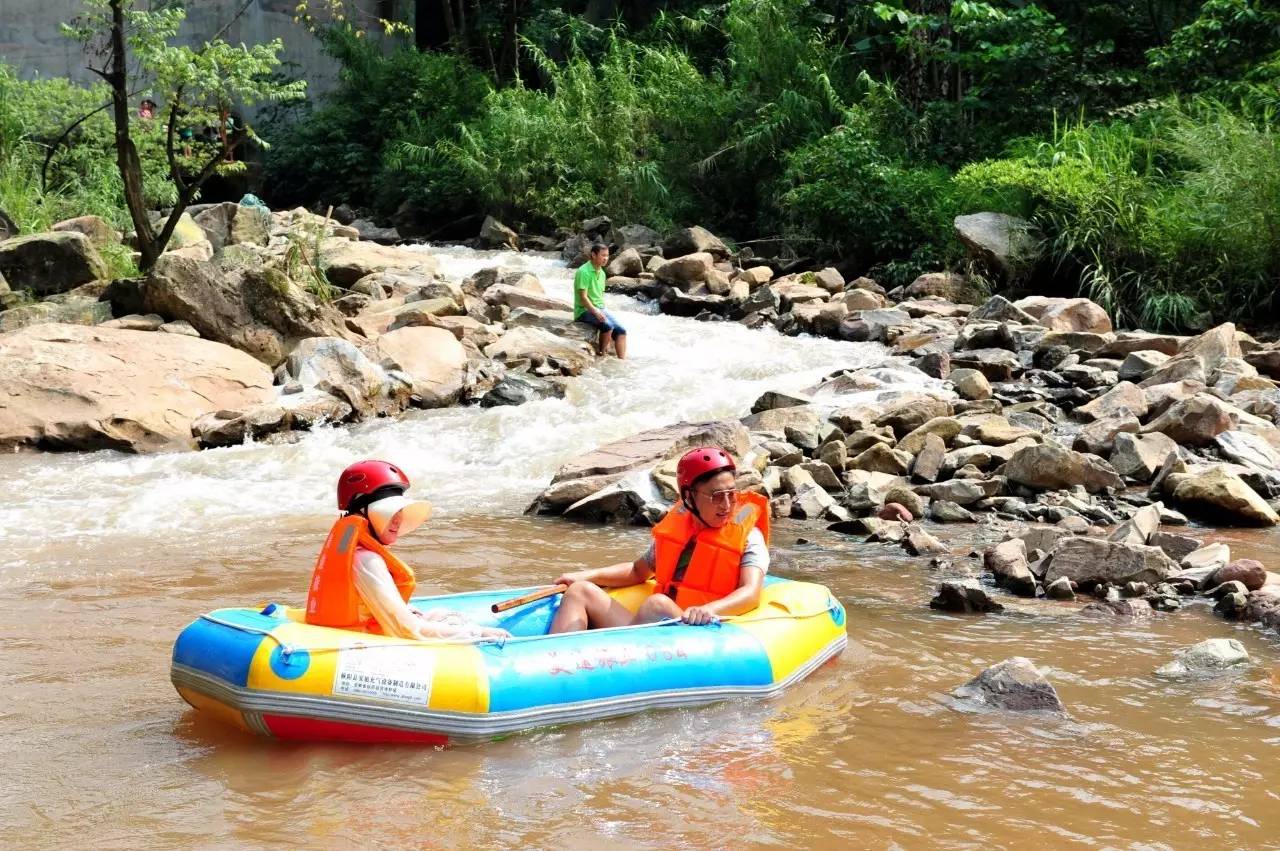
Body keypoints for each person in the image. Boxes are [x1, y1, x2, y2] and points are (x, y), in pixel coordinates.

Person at [548, 447, 769, 633]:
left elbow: (750, 593)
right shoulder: (677, 528)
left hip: (703, 630)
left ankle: (607, 663)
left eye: (731, 493)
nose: (727, 505)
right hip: (661, 626)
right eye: (717, 496)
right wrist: (582, 576)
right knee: (580, 591)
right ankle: (556, 663)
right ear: (689, 496)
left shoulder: (749, 537)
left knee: (658, 604)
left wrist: (709, 610)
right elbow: (637, 571)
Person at [305, 460, 509, 640]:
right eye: (390, 511)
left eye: (400, 510)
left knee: (442, 615)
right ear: (364, 512)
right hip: (360, 642)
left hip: (354, 630)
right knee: (459, 626)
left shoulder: (356, 551)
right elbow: (407, 630)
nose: (398, 519)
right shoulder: (366, 560)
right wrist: (479, 634)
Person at [573, 241, 628, 359]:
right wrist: (596, 312)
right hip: (583, 310)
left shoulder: (602, 273)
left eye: (607, 256)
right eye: (603, 255)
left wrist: (602, 310)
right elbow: (583, 297)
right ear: (593, 255)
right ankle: (602, 354)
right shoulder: (583, 271)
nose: (606, 258)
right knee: (607, 326)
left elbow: (599, 296)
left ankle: (622, 361)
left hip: (599, 307)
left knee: (621, 331)